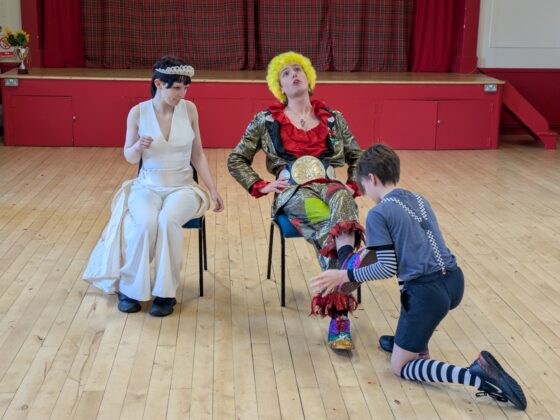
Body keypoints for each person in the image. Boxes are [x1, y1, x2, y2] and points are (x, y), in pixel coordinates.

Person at [310, 144, 527, 410]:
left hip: (428, 295)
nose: (365, 193)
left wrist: (343, 273)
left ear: (372, 179)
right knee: (412, 301)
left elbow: (386, 268)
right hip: (454, 281)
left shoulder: (379, 213)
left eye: (364, 187)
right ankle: (408, 340)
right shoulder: (419, 199)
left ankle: (476, 374)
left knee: (400, 366)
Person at [227, 51, 364, 350]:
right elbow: (236, 159)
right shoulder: (265, 120)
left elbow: (358, 156)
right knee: (329, 226)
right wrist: (262, 186)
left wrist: (353, 184)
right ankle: (341, 312)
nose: (294, 75)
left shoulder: (333, 118)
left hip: (329, 184)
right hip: (294, 192)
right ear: (280, 87)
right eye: (286, 73)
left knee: (343, 197)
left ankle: (344, 264)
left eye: (298, 70)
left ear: (309, 78)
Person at [83, 55, 224, 317]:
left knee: (167, 221)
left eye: (186, 87)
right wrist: (138, 146)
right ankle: (130, 289)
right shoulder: (138, 112)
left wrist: (213, 189)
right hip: (147, 185)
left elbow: (198, 155)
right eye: (176, 87)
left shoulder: (190, 110)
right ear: (159, 84)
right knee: (146, 223)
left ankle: (165, 293)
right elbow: (130, 157)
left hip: (183, 187)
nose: (182, 94)